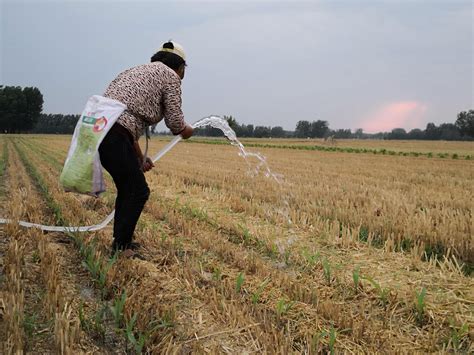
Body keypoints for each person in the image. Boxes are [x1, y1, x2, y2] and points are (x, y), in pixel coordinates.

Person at [99, 41, 193, 257]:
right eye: (183, 70)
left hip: (102, 129)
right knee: (137, 190)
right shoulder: (170, 76)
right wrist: (187, 130)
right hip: (116, 134)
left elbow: (125, 123)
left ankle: (122, 242)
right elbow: (176, 123)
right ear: (180, 67)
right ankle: (121, 248)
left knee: (129, 188)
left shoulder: (133, 71)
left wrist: (139, 159)